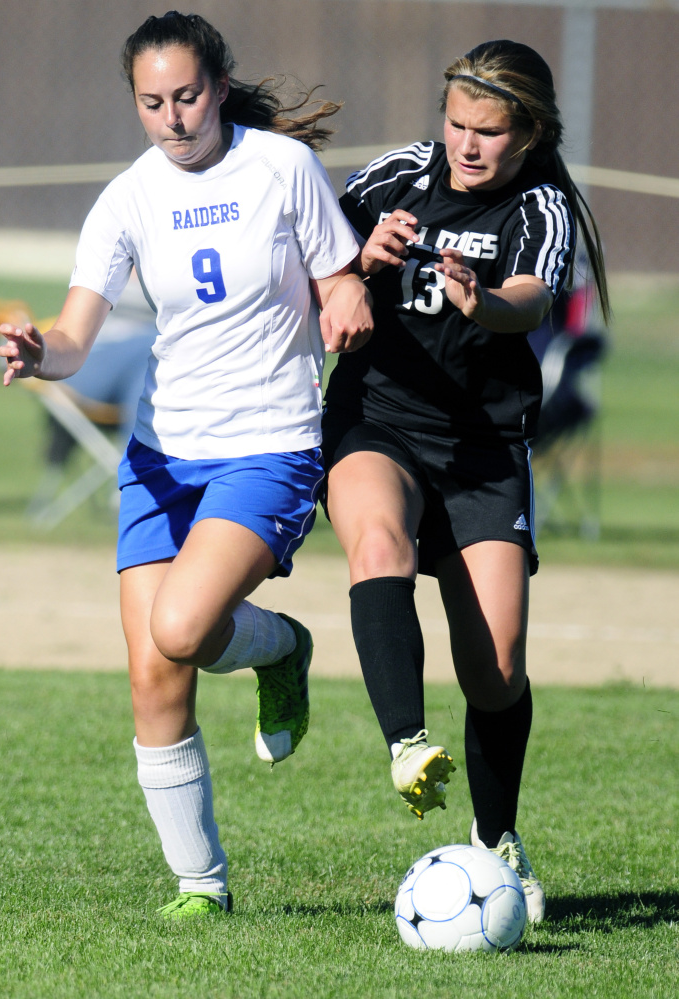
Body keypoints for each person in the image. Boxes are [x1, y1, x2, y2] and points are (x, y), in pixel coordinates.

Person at [0, 10, 372, 919]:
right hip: (163, 452)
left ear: (218, 83)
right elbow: (80, 332)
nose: (173, 117)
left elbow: (337, 274)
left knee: (183, 625)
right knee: (154, 672)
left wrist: (348, 297)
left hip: (268, 442)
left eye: (188, 95)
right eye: (152, 102)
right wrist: (39, 351)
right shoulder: (127, 197)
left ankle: (282, 646)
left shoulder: (281, 168)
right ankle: (201, 887)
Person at [322, 39, 610, 924]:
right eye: (457, 123)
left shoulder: (542, 206)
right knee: (379, 540)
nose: (467, 145)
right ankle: (406, 742)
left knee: (496, 669)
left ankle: (498, 838)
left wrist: (483, 302)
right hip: (381, 420)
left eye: (489, 131)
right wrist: (357, 261)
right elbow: (312, 254)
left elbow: (532, 296)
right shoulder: (399, 173)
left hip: (486, 448)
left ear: (529, 135)